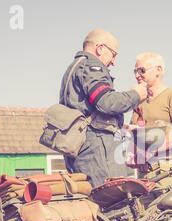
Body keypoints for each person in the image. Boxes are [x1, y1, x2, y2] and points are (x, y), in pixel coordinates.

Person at [60, 29, 148, 187]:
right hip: (97, 153)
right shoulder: (91, 66)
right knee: (113, 200)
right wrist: (136, 94)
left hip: (82, 150)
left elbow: (89, 110)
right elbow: (106, 102)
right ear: (100, 48)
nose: (114, 61)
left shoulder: (74, 67)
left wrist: (119, 125)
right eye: (114, 54)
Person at [128, 52, 172, 181]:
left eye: (142, 70)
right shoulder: (138, 103)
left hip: (168, 174)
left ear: (158, 70)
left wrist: (151, 149)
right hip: (143, 177)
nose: (137, 75)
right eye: (135, 71)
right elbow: (135, 139)